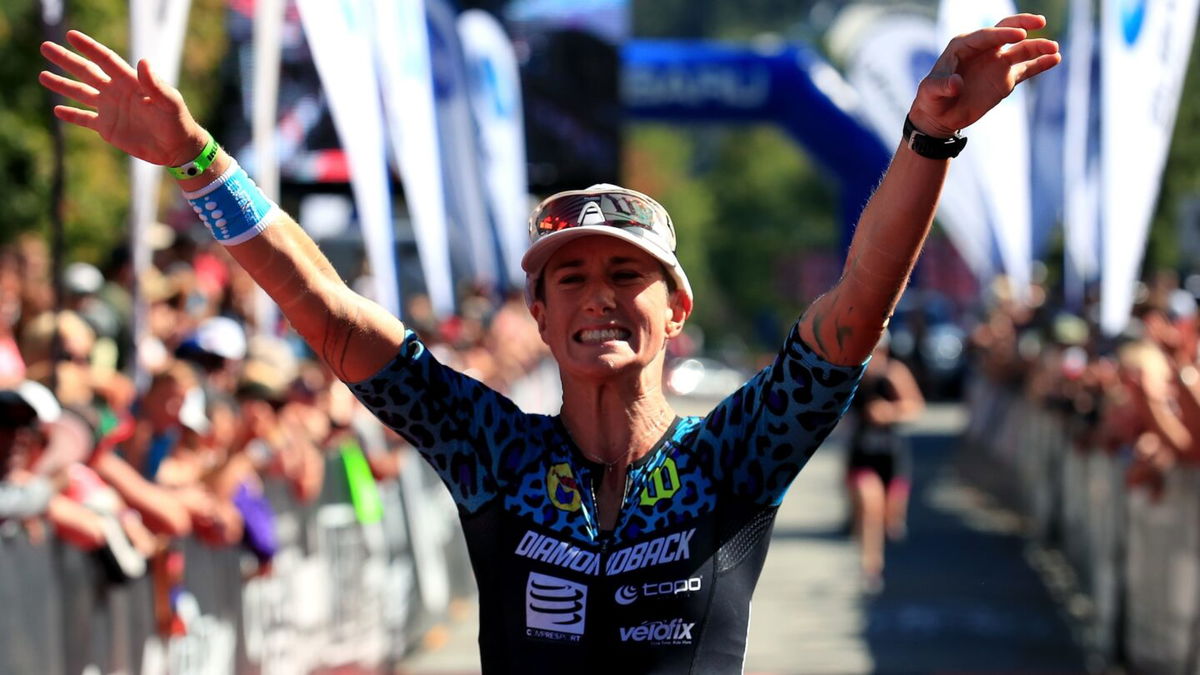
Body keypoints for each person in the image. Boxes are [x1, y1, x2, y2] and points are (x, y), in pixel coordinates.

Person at [40, 17, 1059, 673]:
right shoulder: (498, 453)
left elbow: (852, 315)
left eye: (624, 275)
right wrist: (198, 161)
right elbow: (329, 312)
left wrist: (928, 139)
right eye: (568, 277)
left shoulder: (729, 457)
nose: (596, 298)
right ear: (537, 314)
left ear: (677, 306)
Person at [844, 334, 925, 594]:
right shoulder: (850, 376)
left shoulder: (894, 374)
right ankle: (870, 567)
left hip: (891, 457)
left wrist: (890, 412)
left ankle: (883, 557)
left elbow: (916, 407)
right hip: (861, 456)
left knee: (890, 522)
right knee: (870, 508)